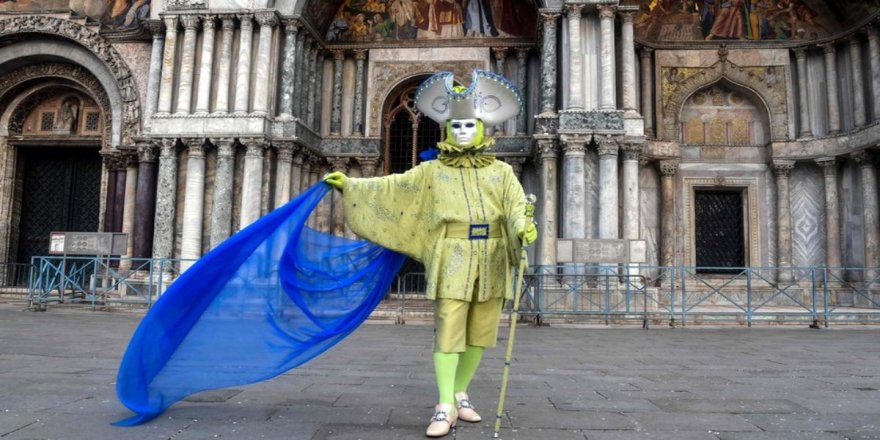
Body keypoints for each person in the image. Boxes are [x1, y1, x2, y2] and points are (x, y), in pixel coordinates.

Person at [324, 69, 537, 438]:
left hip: (493, 257)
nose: (463, 131)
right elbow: (393, 186)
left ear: (483, 128)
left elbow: (516, 205)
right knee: (449, 330)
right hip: (452, 254)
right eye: (456, 126)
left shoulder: (502, 172)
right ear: (447, 130)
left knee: (479, 332)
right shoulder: (432, 171)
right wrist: (351, 184)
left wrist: (523, 226)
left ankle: (460, 394)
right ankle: (444, 405)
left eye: (470, 124)